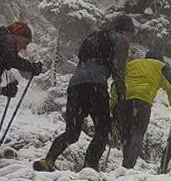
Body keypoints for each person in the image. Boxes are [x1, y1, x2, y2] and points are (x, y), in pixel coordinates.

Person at [33, 14, 134, 172]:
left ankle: (48, 160)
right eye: (131, 34)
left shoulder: (94, 37)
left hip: (75, 86)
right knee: (103, 130)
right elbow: (118, 71)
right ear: (126, 30)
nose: (131, 38)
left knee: (72, 132)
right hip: (96, 86)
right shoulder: (120, 40)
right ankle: (89, 167)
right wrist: (121, 98)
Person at [111, 49, 171, 169]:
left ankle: (125, 164)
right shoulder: (161, 66)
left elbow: (117, 82)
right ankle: (129, 165)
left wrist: (114, 104)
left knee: (126, 134)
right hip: (142, 101)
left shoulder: (131, 64)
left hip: (124, 101)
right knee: (138, 132)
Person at [0, 22, 43, 138]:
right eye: (25, 42)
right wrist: (31, 67)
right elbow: (11, 58)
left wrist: (3, 91)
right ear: (17, 35)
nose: (24, 48)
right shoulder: (4, 37)